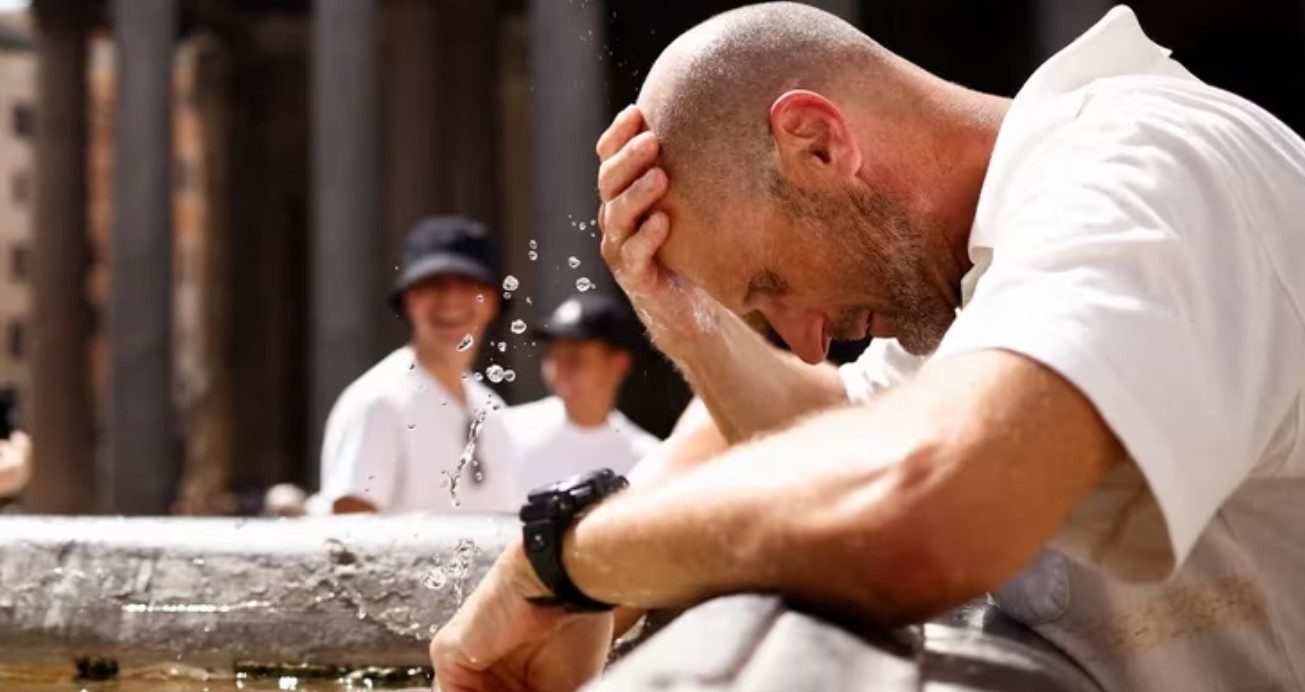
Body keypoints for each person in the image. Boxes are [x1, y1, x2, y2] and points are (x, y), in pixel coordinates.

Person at [429, 4, 1305, 692]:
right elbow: (814, 435)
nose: (808, 340)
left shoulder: (1142, 170)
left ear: (817, 143)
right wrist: (682, 313)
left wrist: (563, 562)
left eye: (770, 284)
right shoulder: (972, 267)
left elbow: (922, 511)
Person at [317, 216, 513, 515]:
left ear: (491, 302)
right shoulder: (379, 403)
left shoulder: (493, 409)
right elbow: (351, 544)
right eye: (432, 284)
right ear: (409, 301)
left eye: (467, 283)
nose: (450, 300)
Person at [481, 293, 660, 496]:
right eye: (554, 356)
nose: (560, 370)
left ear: (619, 364)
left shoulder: (648, 458)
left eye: (576, 358)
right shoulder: (507, 430)